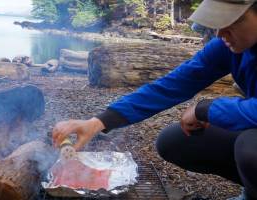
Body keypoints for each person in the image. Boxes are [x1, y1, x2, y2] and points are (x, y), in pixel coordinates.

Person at [52, 0, 257, 199]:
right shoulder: (226, 46)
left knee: (250, 149)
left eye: (232, 21)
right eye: (218, 22)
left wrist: (205, 109)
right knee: (174, 142)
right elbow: (174, 84)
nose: (220, 33)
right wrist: (98, 122)